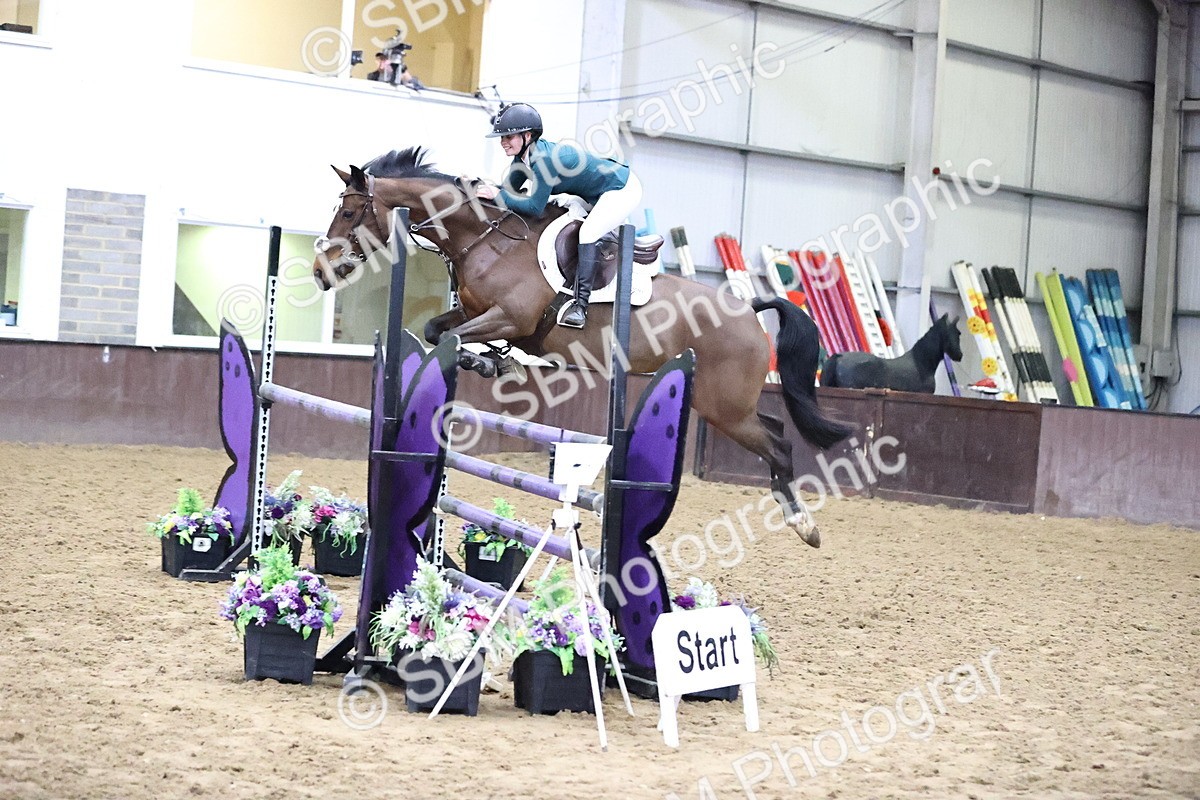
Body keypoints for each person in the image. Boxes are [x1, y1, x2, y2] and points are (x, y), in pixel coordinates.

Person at [475, 102, 641, 329]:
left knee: (589, 232)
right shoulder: (522, 158)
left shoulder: (543, 160)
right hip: (591, 192)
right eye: (502, 137)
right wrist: (480, 189)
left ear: (527, 135)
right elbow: (506, 193)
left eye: (508, 137)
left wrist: (497, 195)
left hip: (620, 189)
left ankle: (580, 306)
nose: (503, 142)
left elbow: (534, 207)